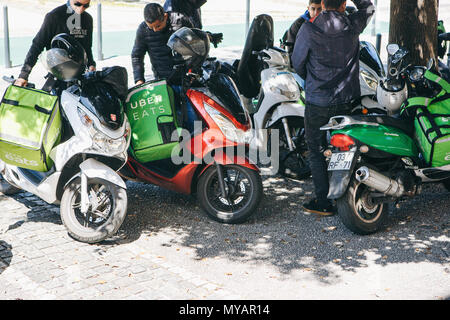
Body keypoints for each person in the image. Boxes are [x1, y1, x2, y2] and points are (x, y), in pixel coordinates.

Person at [292, 0, 375, 215]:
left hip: (318, 101)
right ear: (344, 4)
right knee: (350, 147)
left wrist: (313, 81)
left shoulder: (308, 28)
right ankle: (351, 195)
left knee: (316, 150)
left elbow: (297, 63)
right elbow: (368, 8)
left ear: (321, 3)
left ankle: (324, 202)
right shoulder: (352, 24)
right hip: (349, 99)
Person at [15, 0, 95, 87]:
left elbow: (87, 47)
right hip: (59, 73)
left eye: (85, 6)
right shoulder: (54, 16)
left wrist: (91, 64)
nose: (80, 9)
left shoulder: (88, 19)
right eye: (78, 4)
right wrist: (24, 75)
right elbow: (37, 46)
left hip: (80, 73)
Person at [131, 3, 196, 85]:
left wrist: (194, 70)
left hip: (186, 75)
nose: (155, 30)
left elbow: (195, 44)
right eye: (151, 27)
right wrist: (139, 79)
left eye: (158, 26)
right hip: (163, 79)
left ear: (165, 16)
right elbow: (137, 56)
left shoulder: (181, 20)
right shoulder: (143, 30)